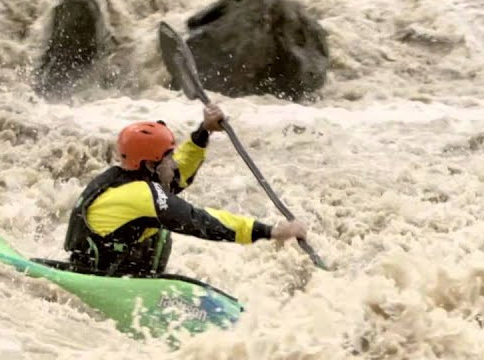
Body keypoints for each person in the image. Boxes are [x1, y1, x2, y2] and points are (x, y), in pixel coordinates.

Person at [61, 104, 308, 277]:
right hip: (103, 278)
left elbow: (176, 176)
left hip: (96, 268)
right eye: (168, 158)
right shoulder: (141, 196)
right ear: (150, 164)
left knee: (158, 223)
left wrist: (204, 131)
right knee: (164, 228)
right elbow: (199, 220)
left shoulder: (129, 179)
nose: (174, 163)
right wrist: (270, 231)